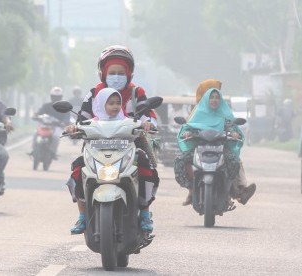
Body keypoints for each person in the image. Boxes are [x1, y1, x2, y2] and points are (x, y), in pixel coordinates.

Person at [65, 45, 159, 234]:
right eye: (112, 72)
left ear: (129, 73)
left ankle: (145, 213)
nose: (116, 76)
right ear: (103, 73)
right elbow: (82, 118)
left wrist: (148, 123)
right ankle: (83, 215)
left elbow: (146, 113)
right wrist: (74, 128)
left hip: (131, 143)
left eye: (121, 72)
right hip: (95, 145)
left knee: (145, 167)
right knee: (77, 168)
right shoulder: (94, 93)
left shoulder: (136, 92)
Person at [174, 88, 256, 206]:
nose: (214, 100)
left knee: (234, 162)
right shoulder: (198, 115)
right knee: (180, 161)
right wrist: (186, 133)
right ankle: (191, 190)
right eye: (211, 97)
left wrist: (234, 133)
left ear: (220, 100)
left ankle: (231, 192)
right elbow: (189, 127)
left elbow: (231, 126)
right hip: (199, 149)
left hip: (221, 148)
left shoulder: (224, 117)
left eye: (217, 98)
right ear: (206, 100)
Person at [34, 86, 71, 159]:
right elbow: (39, 113)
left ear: (60, 97)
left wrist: (64, 122)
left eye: (57, 97)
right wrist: (36, 116)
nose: (55, 99)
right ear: (51, 97)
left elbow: (67, 118)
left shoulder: (65, 107)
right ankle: (34, 149)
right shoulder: (46, 106)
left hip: (57, 127)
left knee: (56, 137)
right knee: (35, 133)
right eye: (54, 97)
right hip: (45, 125)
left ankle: (53, 152)